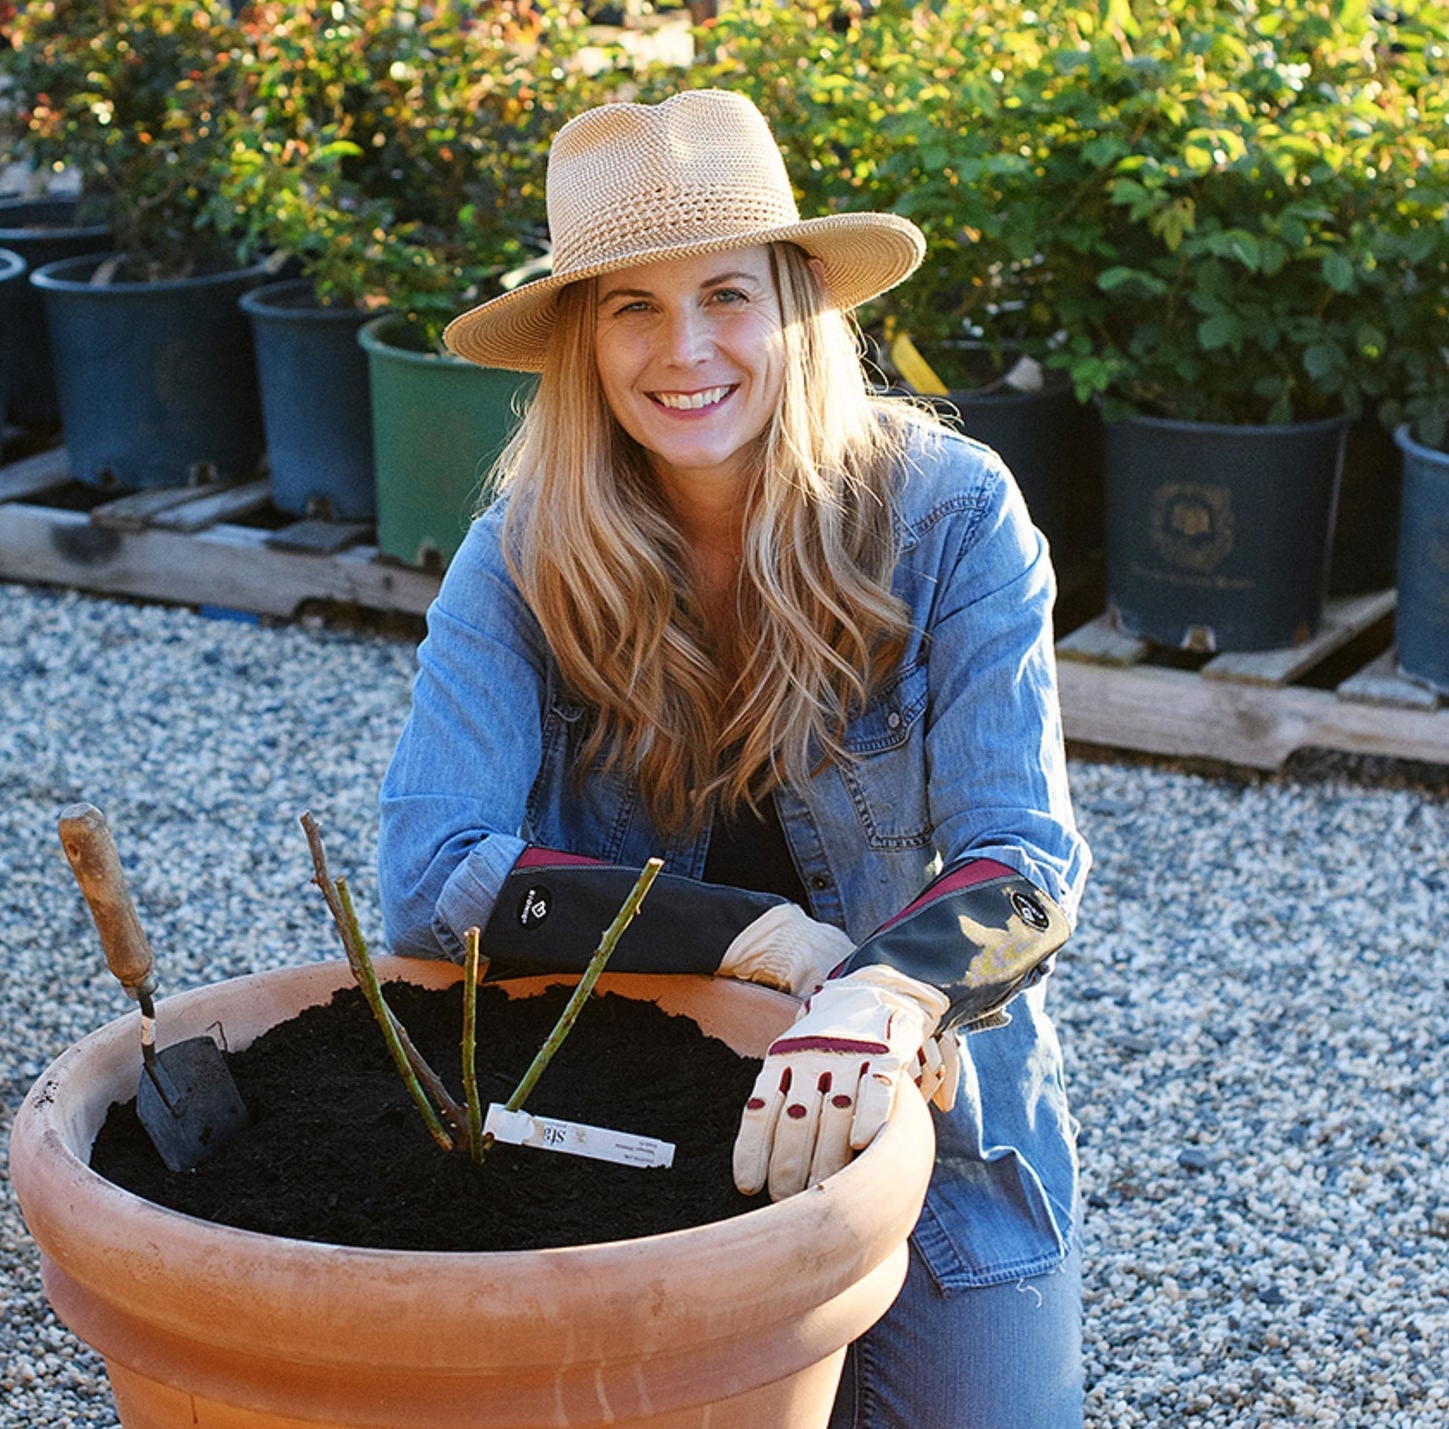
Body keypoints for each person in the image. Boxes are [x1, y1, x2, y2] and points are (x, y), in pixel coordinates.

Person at [377, 89, 1091, 1428]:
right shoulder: (520, 558)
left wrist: (883, 993)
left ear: (797, 301)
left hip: (930, 1117)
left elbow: (1028, 866)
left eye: (724, 294)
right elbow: (424, 873)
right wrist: (756, 936)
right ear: (582, 343)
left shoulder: (951, 517)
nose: (685, 348)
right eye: (631, 307)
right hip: (634, 1119)